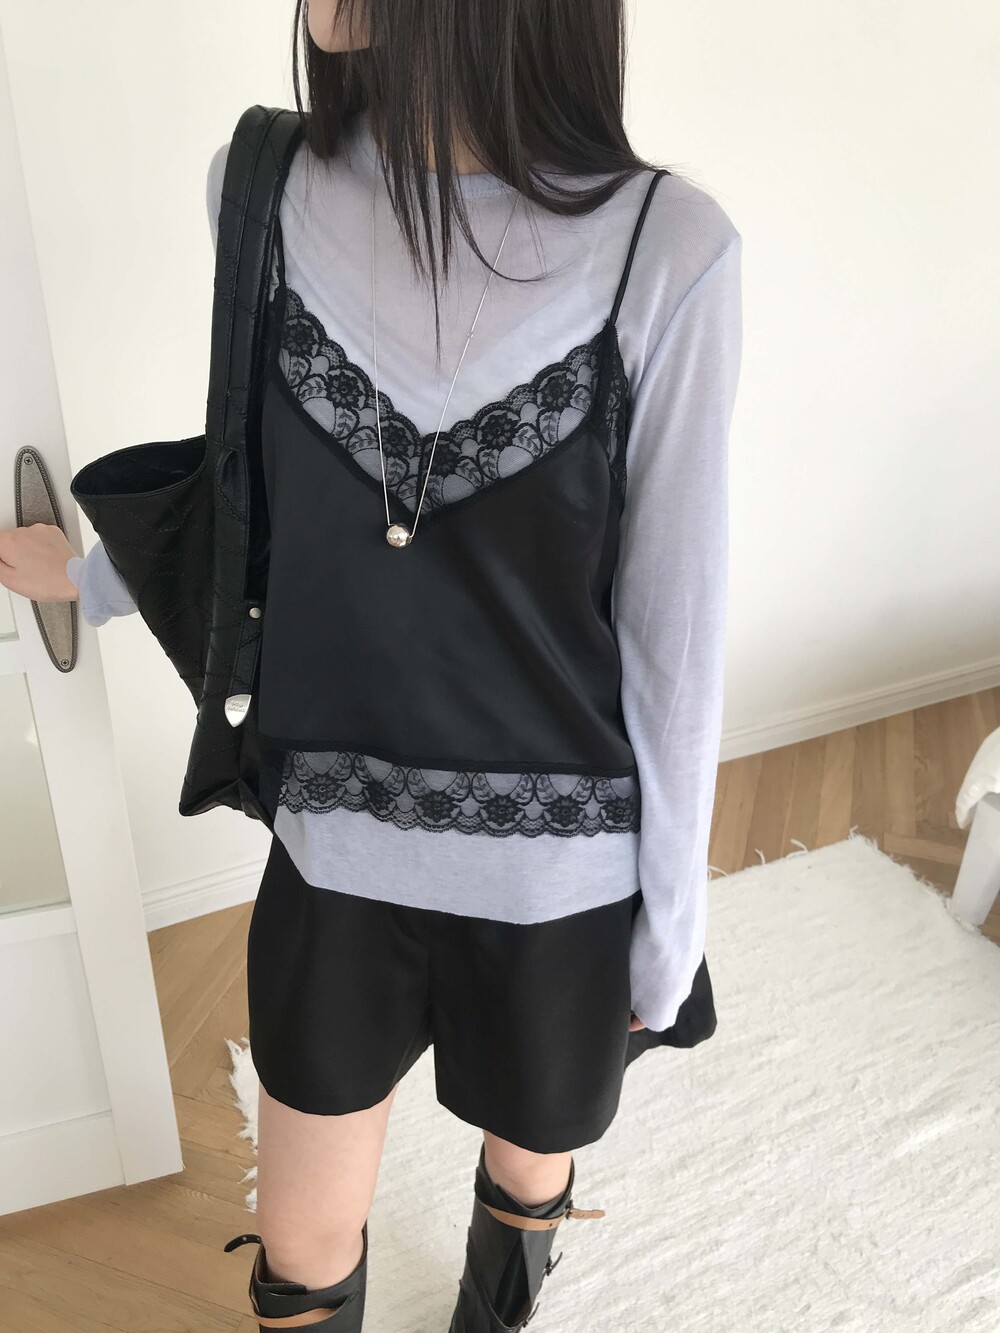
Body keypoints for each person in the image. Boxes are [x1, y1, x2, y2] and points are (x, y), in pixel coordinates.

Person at [0, 2, 743, 1328]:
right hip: (336, 849)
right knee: (299, 1244)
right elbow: (257, 507)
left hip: (560, 875)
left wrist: (667, 937)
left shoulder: (671, 248)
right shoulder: (262, 191)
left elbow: (674, 640)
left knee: (529, 1161)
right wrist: (91, 581)